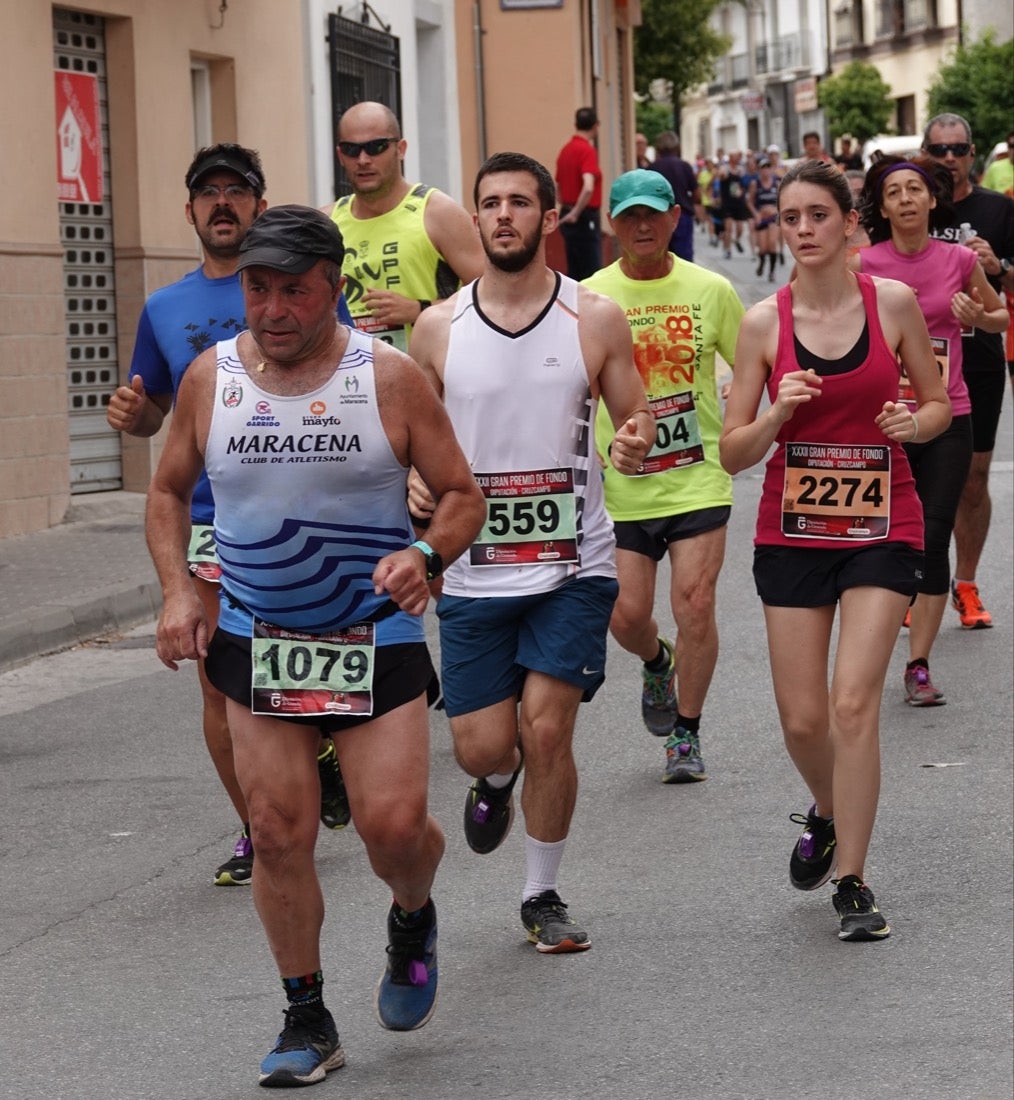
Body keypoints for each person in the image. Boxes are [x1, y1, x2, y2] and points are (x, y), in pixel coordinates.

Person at [145, 205, 486, 1087]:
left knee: (393, 829)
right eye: (257, 289)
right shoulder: (211, 379)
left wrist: (425, 556)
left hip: (372, 632)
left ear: (334, 286)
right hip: (258, 633)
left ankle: (412, 911)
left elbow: (461, 495)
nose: (272, 309)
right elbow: (169, 491)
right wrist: (179, 589)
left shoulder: (389, 378)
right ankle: (307, 1016)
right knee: (275, 830)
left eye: (293, 290)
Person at [408, 152, 653, 952]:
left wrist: (634, 441)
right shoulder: (438, 327)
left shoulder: (595, 317)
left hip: (573, 563)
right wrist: (413, 482)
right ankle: (496, 776)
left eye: (520, 202)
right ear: (475, 218)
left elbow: (637, 415)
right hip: (473, 569)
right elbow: (413, 436)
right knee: (483, 745)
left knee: (547, 730)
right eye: (490, 203)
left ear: (549, 217)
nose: (504, 215)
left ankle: (541, 893)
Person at [106, 144, 352, 887]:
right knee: (219, 681)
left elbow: (349, 375)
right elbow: (157, 414)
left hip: (301, 510)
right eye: (207, 193)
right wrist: (135, 416)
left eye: (235, 192)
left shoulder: (305, 291)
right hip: (212, 519)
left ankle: (321, 743)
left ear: (258, 205)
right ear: (189, 211)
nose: (221, 203)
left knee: (312, 654)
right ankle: (256, 825)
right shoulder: (164, 307)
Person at [719, 161, 951, 942]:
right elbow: (732, 452)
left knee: (853, 703)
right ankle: (826, 807)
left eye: (818, 214)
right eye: (791, 218)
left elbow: (937, 404)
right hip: (792, 533)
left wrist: (913, 425)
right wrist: (775, 415)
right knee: (802, 719)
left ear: (851, 222)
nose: (804, 229)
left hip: (884, 526)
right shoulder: (764, 324)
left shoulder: (892, 304)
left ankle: (852, 879)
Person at [583, 169, 743, 782]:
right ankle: (657, 660)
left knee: (695, 602)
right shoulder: (588, 297)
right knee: (626, 616)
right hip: (621, 484)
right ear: (613, 224)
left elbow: (754, 363)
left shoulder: (710, 290)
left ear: (676, 217)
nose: (643, 226)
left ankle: (686, 733)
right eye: (630, 216)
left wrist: (741, 419)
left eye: (653, 213)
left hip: (698, 474)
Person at [851, 156, 1006, 705]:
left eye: (915, 189)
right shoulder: (864, 264)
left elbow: (1000, 316)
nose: (906, 199)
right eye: (893, 192)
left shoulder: (959, 259)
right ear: (883, 207)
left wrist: (977, 317)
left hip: (947, 415)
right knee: (885, 537)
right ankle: (868, 653)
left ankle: (918, 664)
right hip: (883, 419)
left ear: (932, 199)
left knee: (933, 535)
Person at [922, 114, 1014, 628]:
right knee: (918, 477)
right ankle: (919, 583)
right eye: (939, 149)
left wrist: (998, 267)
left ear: (973, 153)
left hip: (977, 359)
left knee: (974, 479)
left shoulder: (998, 209)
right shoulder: (911, 204)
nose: (949, 158)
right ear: (926, 152)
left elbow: (1011, 285)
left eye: (958, 149)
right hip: (915, 363)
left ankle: (966, 584)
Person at [323, 100, 485, 354]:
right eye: (351, 150)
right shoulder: (326, 222)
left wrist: (420, 309)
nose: (363, 159)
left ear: (400, 149)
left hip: (426, 370)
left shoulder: (437, 212)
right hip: (351, 373)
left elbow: (492, 298)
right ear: (340, 155)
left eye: (376, 147)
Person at [555, 107, 604, 280]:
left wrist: (566, 208)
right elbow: (588, 186)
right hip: (584, 216)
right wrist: (576, 212)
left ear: (576, 124)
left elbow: (557, 187)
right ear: (595, 126)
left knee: (575, 268)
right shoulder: (587, 150)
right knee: (592, 271)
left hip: (567, 215)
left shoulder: (565, 150)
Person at [648, 131, 701, 263]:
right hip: (682, 216)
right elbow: (697, 195)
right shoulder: (684, 166)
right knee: (683, 260)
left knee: (659, 258)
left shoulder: (652, 168)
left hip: (658, 215)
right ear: (677, 147)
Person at [748, 158, 781, 281]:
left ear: (771, 169)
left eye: (768, 167)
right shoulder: (755, 184)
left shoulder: (777, 184)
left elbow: (783, 201)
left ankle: (772, 271)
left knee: (772, 244)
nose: (766, 170)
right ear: (759, 170)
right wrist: (756, 214)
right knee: (763, 248)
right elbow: (750, 202)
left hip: (773, 218)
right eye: (763, 168)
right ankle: (762, 262)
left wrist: (776, 210)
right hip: (761, 218)